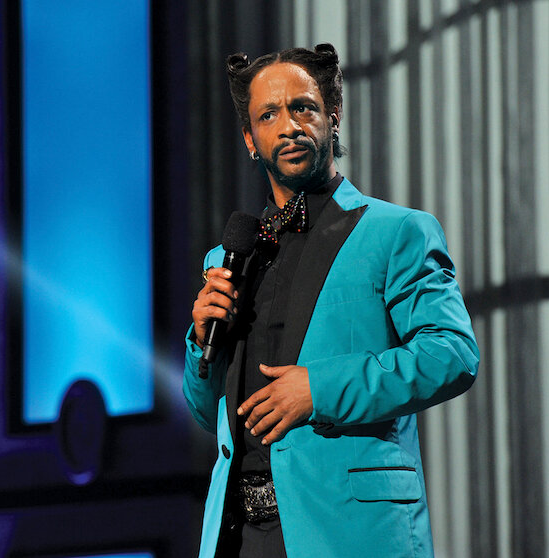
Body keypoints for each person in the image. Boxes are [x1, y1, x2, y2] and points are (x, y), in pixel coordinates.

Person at [182, 43, 479, 558]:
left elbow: (452, 354)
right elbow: (211, 415)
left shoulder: (396, 232)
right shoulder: (229, 259)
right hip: (239, 536)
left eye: (303, 108)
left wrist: (319, 389)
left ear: (332, 117)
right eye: (268, 115)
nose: (289, 126)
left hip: (350, 531)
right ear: (250, 139)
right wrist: (201, 340)